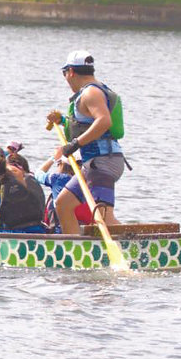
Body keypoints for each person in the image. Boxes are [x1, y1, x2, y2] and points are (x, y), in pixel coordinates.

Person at [47, 51, 126, 235]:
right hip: (94, 163)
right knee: (64, 204)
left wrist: (75, 144)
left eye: (64, 73)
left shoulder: (91, 92)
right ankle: (75, 252)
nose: (65, 78)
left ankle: (143, 248)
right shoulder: (92, 91)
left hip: (103, 162)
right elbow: (86, 125)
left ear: (71, 72)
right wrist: (62, 121)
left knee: (105, 217)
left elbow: (104, 121)